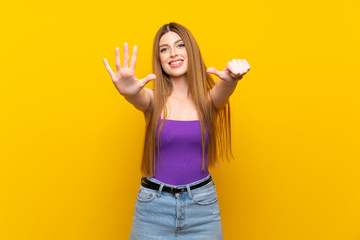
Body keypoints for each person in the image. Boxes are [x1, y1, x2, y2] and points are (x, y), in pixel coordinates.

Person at [103, 22, 250, 240]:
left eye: (180, 45)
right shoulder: (153, 100)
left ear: (191, 50)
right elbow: (137, 96)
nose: (173, 53)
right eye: (164, 49)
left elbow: (224, 88)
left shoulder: (208, 101)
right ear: (159, 60)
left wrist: (231, 79)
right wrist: (128, 92)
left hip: (202, 207)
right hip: (152, 208)